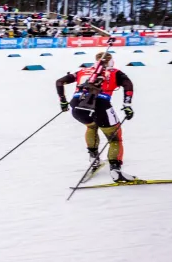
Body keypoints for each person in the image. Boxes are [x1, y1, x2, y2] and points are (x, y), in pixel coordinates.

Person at [56, 51, 135, 182]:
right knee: (115, 139)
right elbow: (128, 85)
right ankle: (115, 170)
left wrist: (63, 101)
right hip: (101, 105)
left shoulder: (83, 71)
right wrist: (127, 104)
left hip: (77, 105)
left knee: (91, 127)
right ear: (111, 61)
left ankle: (94, 159)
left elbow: (59, 82)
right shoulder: (115, 72)